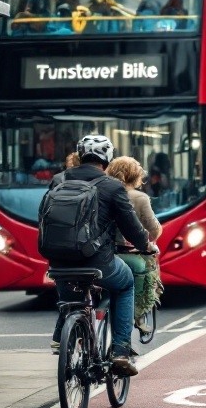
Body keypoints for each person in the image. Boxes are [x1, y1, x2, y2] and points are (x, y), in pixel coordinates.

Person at [46, 134, 157, 376]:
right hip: (98, 263)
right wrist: (145, 244)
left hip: (59, 262)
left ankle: (66, 334)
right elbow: (131, 227)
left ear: (81, 154)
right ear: (107, 159)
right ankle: (120, 351)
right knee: (126, 283)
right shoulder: (111, 186)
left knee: (71, 298)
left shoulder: (58, 181)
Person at [106, 156, 163, 335]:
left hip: (104, 253)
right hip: (130, 254)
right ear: (136, 176)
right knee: (149, 269)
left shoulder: (102, 192)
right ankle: (139, 313)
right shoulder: (139, 198)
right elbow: (153, 229)